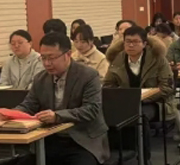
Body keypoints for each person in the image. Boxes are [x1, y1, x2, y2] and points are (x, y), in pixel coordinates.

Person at [8, 32, 109, 165]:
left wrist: (57, 116)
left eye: (51, 58)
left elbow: (91, 109)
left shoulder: (88, 75)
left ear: (68, 54)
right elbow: (29, 105)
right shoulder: (40, 78)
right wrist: (11, 114)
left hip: (83, 141)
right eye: (43, 58)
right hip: (50, 138)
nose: (47, 63)